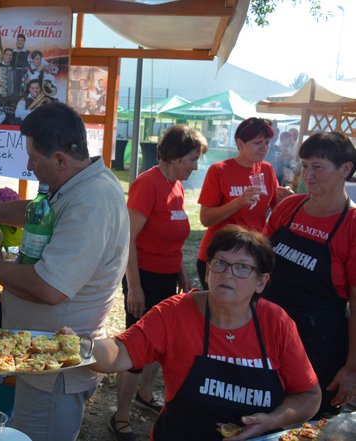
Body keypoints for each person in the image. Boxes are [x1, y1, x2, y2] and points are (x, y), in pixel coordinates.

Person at [0, 102, 129, 441]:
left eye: (34, 158)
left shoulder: (91, 201)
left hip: (55, 369)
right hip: (41, 359)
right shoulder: (77, 185)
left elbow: (51, 288)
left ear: (61, 159)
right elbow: (38, 213)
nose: (29, 166)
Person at [89, 225, 321, 441]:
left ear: (261, 282)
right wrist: (82, 348)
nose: (227, 274)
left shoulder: (276, 323)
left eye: (242, 267)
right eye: (220, 263)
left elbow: (309, 396)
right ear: (208, 270)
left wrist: (273, 421)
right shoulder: (175, 313)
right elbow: (119, 352)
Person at [112, 125, 207, 441]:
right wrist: (134, 287)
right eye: (192, 159)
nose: (196, 166)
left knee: (162, 343)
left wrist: (181, 274)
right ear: (175, 156)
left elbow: (173, 239)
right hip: (145, 279)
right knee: (137, 347)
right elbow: (128, 239)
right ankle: (121, 416)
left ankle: (145, 394)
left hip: (167, 279)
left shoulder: (176, 186)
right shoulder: (148, 184)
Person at [264, 132, 356, 417]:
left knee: (303, 425)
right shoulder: (289, 207)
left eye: (318, 166)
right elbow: (257, 262)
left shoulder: (352, 224)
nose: (308, 174)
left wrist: (351, 369)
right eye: (305, 166)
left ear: (345, 169)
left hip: (317, 347)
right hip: (266, 334)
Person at [196, 117, 291, 289]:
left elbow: (275, 209)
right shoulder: (220, 170)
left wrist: (286, 201)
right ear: (240, 143)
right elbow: (205, 218)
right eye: (257, 143)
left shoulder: (266, 169)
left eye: (267, 142)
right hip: (221, 255)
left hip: (251, 257)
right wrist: (238, 203)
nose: (264, 148)